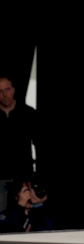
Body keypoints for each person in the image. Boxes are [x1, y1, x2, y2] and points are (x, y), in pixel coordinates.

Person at [0, 76, 39, 213]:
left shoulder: (28, 113)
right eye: (0, 91)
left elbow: (40, 145)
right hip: (0, 177)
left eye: (7, 89)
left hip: (22, 177)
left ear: (14, 90)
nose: (5, 95)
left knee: (23, 217)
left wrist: (36, 175)